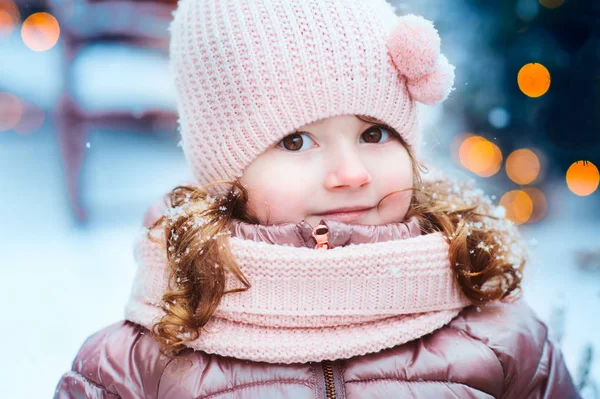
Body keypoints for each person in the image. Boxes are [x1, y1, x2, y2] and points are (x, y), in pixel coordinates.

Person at [54, 0, 581, 397]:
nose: (350, 174)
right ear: (225, 171)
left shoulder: (497, 334)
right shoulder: (137, 364)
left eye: (374, 134)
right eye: (296, 141)